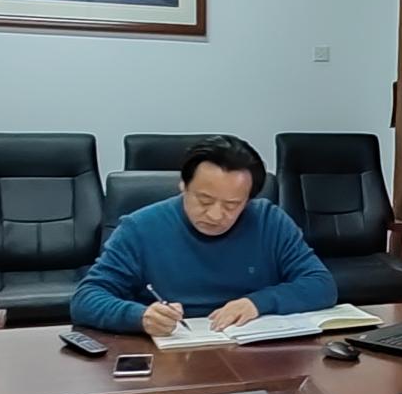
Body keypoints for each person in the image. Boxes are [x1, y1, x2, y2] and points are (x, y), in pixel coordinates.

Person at [71, 135, 337, 336]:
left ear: (248, 200)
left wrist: (258, 302)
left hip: (253, 351)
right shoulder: (139, 228)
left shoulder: (270, 222)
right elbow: (86, 298)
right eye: (204, 200)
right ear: (183, 185)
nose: (215, 215)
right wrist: (139, 316)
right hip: (175, 353)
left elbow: (321, 284)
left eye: (232, 205)